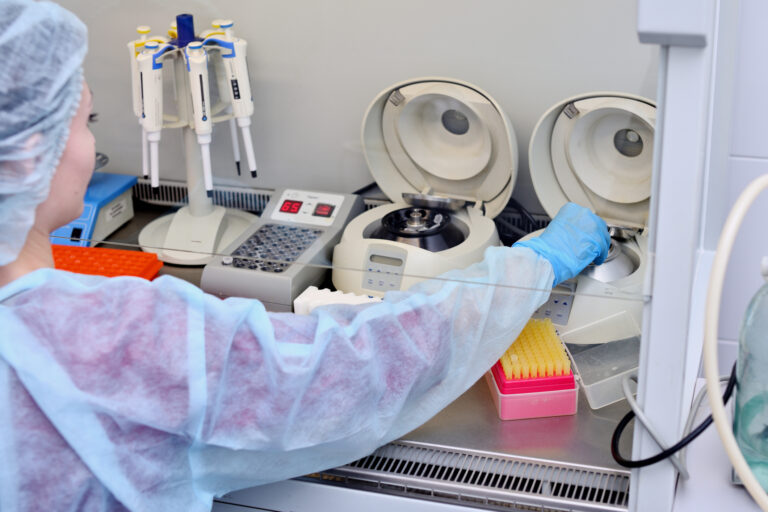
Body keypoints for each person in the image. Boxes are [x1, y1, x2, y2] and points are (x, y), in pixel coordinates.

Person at [0, 1, 610, 511]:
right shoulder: (108, 338)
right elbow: (355, 369)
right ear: (28, 155)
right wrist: (533, 265)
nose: (93, 144)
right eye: (85, 122)